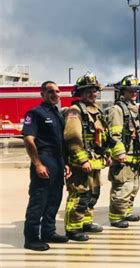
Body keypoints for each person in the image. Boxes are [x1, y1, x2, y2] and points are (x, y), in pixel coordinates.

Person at [22, 81, 71, 251]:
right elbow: (28, 139)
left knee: (54, 199)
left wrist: (65, 163)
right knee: (39, 200)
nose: (55, 94)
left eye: (58, 91)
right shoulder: (35, 113)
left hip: (57, 162)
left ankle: (49, 232)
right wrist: (37, 164)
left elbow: (61, 142)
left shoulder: (57, 114)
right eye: (51, 91)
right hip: (44, 160)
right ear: (42, 93)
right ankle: (32, 238)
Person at [64, 72, 111, 241]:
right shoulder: (75, 111)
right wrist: (83, 160)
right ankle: (73, 228)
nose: (93, 93)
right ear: (80, 93)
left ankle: (86, 222)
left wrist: (107, 154)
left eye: (95, 90)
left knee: (93, 194)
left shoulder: (95, 111)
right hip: (81, 164)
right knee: (80, 194)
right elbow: (72, 138)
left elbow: (102, 136)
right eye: (89, 91)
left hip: (95, 161)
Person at [107, 75, 140, 228]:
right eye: (130, 91)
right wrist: (119, 153)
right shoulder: (117, 110)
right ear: (122, 92)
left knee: (134, 187)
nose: (134, 93)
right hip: (124, 157)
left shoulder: (135, 110)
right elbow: (114, 135)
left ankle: (126, 212)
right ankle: (116, 217)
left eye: (136, 91)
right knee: (123, 187)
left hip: (134, 156)